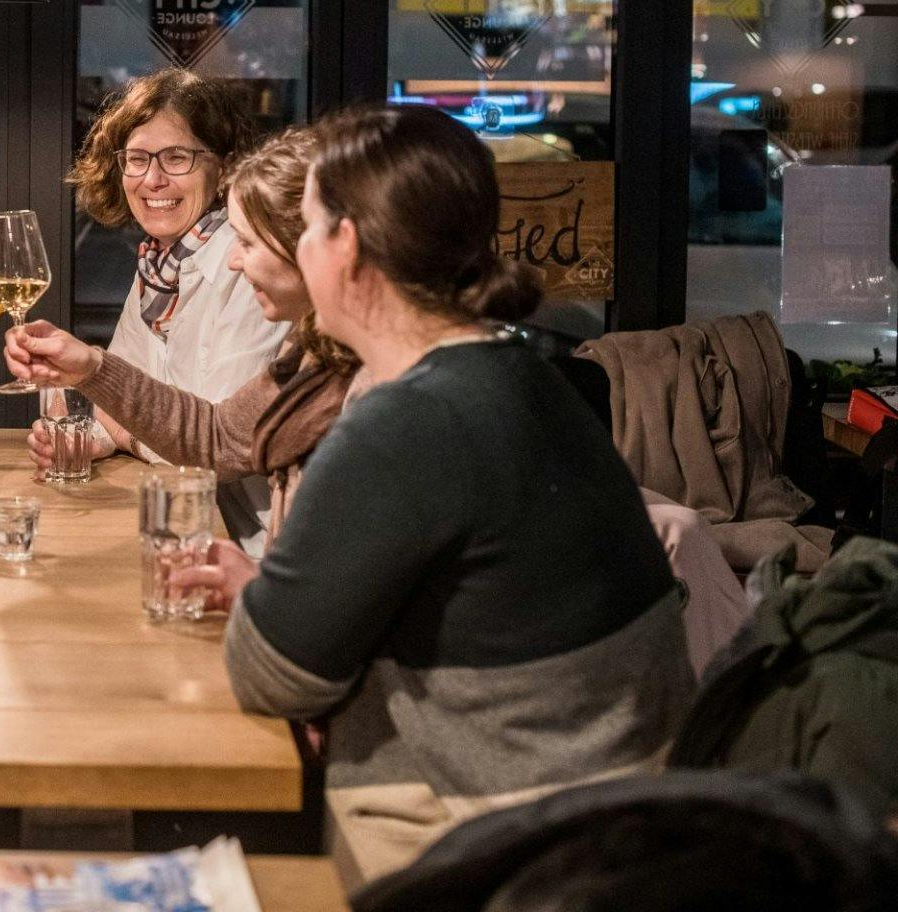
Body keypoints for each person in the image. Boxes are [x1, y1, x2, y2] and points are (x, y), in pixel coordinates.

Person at [165, 103, 693, 890]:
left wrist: (272, 610)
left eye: (307, 226)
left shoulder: (406, 421)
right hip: (619, 829)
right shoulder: (514, 373)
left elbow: (271, 677)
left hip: (499, 852)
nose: (291, 249)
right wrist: (279, 599)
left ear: (346, 246)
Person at [7, 127, 359, 551]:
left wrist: (114, 417)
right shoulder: (317, 348)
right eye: (137, 159)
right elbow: (216, 437)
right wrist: (91, 369)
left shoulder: (377, 385)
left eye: (247, 242)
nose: (234, 259)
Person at [64, 70, 289, 463]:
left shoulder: (247, 265)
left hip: (234, 504)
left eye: (176, 158)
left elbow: (214, 444)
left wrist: (123, 434)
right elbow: (119, 400)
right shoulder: (157, 264)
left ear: (224, 169)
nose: (153, 179)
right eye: (137, 159)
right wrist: (89, 434)